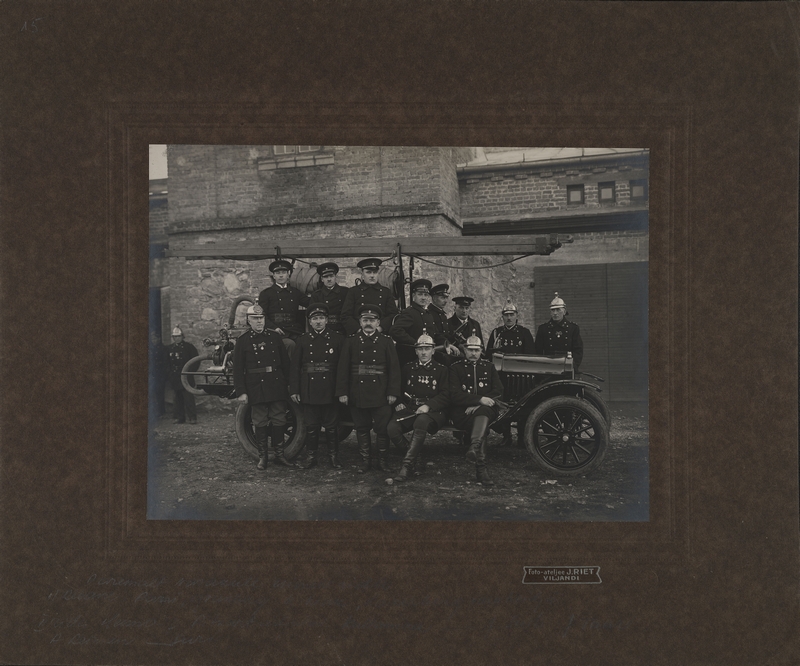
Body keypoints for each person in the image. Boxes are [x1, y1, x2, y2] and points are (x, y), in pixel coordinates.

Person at [336, 304, 401, 473]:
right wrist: (342, 392)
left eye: (372, 320)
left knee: (382, 429)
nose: (368, 323)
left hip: (381, 393)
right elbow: (343, 369)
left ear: (378, 322)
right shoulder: (351, 342)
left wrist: (393, 392)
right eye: (365, 320)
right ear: (360, 322)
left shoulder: (386, 342)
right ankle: (365, 461)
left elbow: (394, 369)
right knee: (362, 428)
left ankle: (382, 461)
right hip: (358, 392)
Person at [233, 304, 294, 470]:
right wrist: (242, 392)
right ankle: (263, 457)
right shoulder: (243, 341)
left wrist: (290, 385)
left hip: (276, 383)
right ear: (248, 320)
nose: (259, 322)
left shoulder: (274, 337)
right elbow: (238, 369)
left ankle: (280, 455)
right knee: (259, 421)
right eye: (255, 319)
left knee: (279, 419)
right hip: (255, 386)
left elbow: (285, 364)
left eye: (261, 319)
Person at [387, 333, 450, 482]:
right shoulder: (408, 368)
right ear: (415, 351)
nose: (423, 352)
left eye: (427, 349)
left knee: (420, 422)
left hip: (433, 411)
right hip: (411, 408)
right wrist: (398, 403)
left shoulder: (441, 370)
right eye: (420, 349)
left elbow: (446, 395)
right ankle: (417, 458)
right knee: (392, 428)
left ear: (433, 351)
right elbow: (398, 388)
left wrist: (428, 406)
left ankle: (406, 467)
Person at [290, 303, 345, 469]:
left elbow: (342, 368)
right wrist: (295, 390)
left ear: (327, 320)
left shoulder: (337, 339)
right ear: (310, 322)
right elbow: (295, 367)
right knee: (311, 427)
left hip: (330, 388)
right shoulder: (303, 340)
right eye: (315, 319)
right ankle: (311, 457)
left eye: (321, 318)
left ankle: (333, 457)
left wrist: (341, 391)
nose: (318, 321)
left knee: (331, 427)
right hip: (309, 389)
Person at [449, 335, 504, 486]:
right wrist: (478, 400)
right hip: (463, 413)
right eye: (470, 350)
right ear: (465, 350)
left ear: (481, 351)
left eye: (477, 350)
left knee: (484, 413)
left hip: (485, 410)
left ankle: (474, 448)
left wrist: (479, 404)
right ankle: (481, 469)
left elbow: (499, 391)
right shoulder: (456, 368)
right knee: (483, 424)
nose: (473, 353)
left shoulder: (489, 367)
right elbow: (454, 395)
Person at [485, 299, 535, 446]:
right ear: (502, 316)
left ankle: (521, 438)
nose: (508, 317)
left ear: (516, 316)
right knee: (503, 406)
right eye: (506, 314)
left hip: (521, 378)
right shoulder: (496, 333)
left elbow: (531, 356)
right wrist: (495, 349)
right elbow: (488, 356)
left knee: (522, 407)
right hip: (502, 378)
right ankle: (506, 436)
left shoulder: (524, 333)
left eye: (511, 314)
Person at [257, 258, 310, 358]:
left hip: (294, 331)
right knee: (290, 345)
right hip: (276, 332)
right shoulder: (266, 294)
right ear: (274, 275)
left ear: (288, 274)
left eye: (284, 272)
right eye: (278, 273)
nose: (281, 275)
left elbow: (311, 303)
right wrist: (273, 328)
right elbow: (262, 315)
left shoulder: (295, 292)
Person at [340, 258, 399, 335]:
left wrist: (380, 328)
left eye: (374, 272)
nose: (372, 275)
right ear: (362, 274)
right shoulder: (354, 291)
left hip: (380, 334)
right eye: (368, 272)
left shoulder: (386, 292)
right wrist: (358, 330)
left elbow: (392, 314)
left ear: (378, 274)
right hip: (358, 334)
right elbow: (345, 315)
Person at [389, 279, 441, 366]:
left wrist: (447, 343)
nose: (423, 298)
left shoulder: (428, 314)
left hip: (427, 359)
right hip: (410, 358)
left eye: (425, 295)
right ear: (414, 295)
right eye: (420, 294)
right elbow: (395, 331)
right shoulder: (409, 312)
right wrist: (416, 343)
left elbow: (435, 333)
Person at [535, 292, 584, 374]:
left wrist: (572, 367)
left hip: (567, 369)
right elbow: (537, 351)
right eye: (553, 310)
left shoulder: (573, 328)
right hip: (548, 370)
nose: (555, 313)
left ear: (564, 311)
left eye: (558, 310)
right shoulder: (543, 329)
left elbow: (578, 351)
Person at [167, 327, 198, 424]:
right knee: (177, 398)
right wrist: (170, 374)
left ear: (182, 336)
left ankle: (192, 418)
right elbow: (167, 363)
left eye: (178, 336)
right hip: (175, 377)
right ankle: (179, 417)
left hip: (186, 376)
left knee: (188, 398)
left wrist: (190, 372)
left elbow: (195, 361)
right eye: (175, 337)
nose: (177, 338)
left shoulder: (189, 347)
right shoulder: (170, 348)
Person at [308, 262, 349, 336]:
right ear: (322, 279)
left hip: (342, 329)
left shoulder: (345, 292)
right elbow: (313, 316)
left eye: (331, 276)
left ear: (335, 277)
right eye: (326, 277)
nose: (329, 279)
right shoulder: (317, 295)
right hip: (323, 331)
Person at [427, 283, 461, 364]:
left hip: (445, 347)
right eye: (442, 298)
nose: (445, 301)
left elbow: (447, 334)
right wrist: (449, 345)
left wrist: (459, 345)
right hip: (436, 350)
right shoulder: (429, 314)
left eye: (446, 298)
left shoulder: (442, 315)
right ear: (434, 298)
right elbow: (437, 335)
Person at [149, 329, 168, 419]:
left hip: (160, 375)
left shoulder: (163, 349)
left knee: (160, 393)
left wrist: (164, 375)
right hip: (153, 374)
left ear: (159, 339)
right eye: (152, 339)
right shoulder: (151, 349)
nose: (154, 341)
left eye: (155, 339)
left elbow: (165, 363)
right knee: (153, 393)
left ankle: (161, 411)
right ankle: (154, 411)